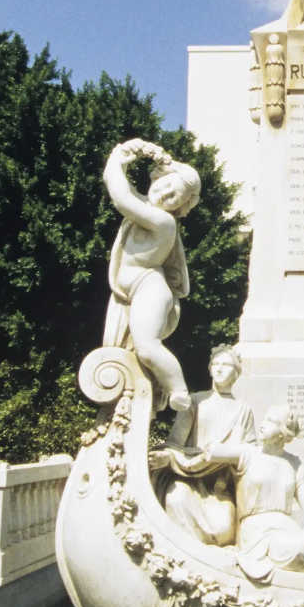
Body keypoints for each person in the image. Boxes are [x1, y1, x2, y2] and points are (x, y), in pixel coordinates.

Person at [103, 138, 201, 411]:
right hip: (133, 291)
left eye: (175, 199)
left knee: (147, 346)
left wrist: (118, 159)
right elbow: (124, 191)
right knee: (135, 353)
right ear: (160, 176)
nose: (167, 196)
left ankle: (178, 389)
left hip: (149, 287)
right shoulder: (145, 205)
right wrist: (126, 155)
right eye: (168, 186)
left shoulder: (163, 221)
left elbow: (121, 198)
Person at [204, 405, 304, 583]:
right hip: (258, 532)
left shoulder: (293, 463)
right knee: (298, 547)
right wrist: (235, 432)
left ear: (283, 432)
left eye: (270, 421)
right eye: (264, 419)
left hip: (288, 529)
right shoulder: (247, 453)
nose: (262, 425)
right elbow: (211, 451)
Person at [153, 346, 256, 546]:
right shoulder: (195, 402)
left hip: (219, 486)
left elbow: (249, 454)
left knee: (224, 528)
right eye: (215, 364)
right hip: (187, 477)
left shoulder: (243, 410)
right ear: (209, 369)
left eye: (226, 365)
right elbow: (174, 444)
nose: (219, 369)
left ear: (236, 373)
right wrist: (168, 457)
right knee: (176, 498)